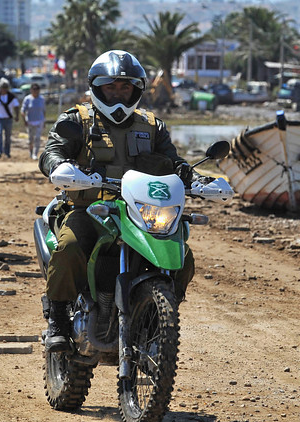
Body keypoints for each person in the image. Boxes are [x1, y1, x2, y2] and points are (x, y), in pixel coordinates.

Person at [38, 50, 195, 353]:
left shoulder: (152, 126)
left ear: (137, 89)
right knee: (69, 246)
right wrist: (58, 165)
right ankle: (57, 319)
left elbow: (172, 161)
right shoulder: (77, 121)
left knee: (183, 255)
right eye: (111, 87)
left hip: (140, 210)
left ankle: (159, 314)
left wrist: (189, 174)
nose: (118, 94)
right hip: (89, 210)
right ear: (97, 87)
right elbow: (53, 148)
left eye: (125, 88)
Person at [21, 83, 46, 160]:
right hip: (30, 121)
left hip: (39, 120)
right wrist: (24, 119)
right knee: (30, 139)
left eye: (37, 90)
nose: (35, 91)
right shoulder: (27, 99)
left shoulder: (42, 99)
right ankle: (31, 152)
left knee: (37, 138)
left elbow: (43, 111)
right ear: (31, 90)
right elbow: (23, 110)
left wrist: (44, 121)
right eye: (34, 89)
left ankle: (35, 154)